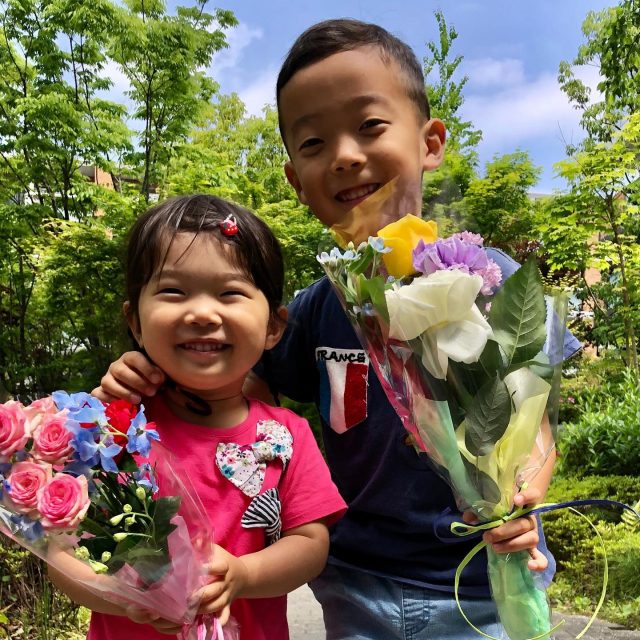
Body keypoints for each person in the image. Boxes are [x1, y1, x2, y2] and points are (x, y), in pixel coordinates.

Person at [94, 20, 580, 639]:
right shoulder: (317, 308)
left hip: (486, 573)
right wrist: (148, 381)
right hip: (356, 583)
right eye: (314, 143)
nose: (345, 155)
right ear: (297, 181)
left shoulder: (492, 282)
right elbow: (244, 397)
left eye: (370, 126)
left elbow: (535, 418)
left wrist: (523, 498)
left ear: (430, 143)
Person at [50, 194, 347, 640]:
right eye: (173, 291)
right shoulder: (112, 429)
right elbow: (61, 555)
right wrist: (125, 594)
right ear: (135, 321)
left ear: (273, 328)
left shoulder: (286, 434)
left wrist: (243, 574)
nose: (203, 313)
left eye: (230, 293)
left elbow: (310, 545)